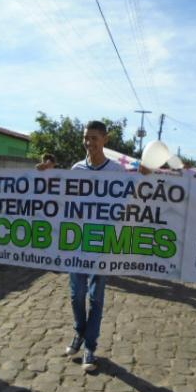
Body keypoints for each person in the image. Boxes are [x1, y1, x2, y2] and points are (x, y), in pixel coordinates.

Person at [65, 121, 126, 372]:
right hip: (77, 241)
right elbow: (63, 201)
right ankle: (79, 332)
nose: (89, 143)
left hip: (103, 243)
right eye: (85, 138)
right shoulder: (76, 169)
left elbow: (128, 204)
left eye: (94, 138)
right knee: (76, 294)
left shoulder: (117, 172)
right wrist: (44, 177)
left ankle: (90, 346)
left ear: (105, 140)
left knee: (95, 298)